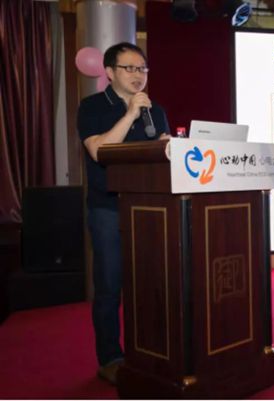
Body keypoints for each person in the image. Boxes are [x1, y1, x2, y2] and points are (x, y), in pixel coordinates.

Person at [77, 42, 170, 385]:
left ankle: (149, 352)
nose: (138, 75)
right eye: (130, 68)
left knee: (149, 285)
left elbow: (159, 157)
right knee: (109, 287)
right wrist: (130, 114)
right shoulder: (92, 106)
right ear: (109, 72)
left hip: (150, 211)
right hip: (108, 209)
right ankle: (110, 358)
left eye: (142, 68)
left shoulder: (155, 110)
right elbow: (98, 150)